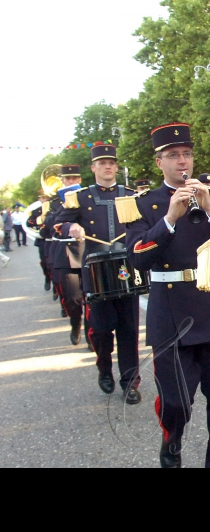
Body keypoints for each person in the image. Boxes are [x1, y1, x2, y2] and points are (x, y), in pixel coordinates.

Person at [124, 122, 210, 469]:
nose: (181, 161)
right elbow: (138, 256)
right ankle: (171, 441)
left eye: (186, 154)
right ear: (160, 163)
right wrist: (171, 217)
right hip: (171, 315)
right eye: (173, 156)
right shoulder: (142, 204)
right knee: (176, 402)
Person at [55, 145, 142, 404]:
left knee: (129, 328)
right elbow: (59, 223)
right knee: (102, 329)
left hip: (125, 267)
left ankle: (130, 382)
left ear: (116, 167)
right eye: (101, 163)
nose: (107, 167)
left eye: (111, 163)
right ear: (93, 168)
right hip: (95, 271)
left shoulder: (130, 195)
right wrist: (72, 226)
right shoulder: (79, 197)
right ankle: (104, 368)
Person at [45, 165, 85, 345]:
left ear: (80, 180)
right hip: (66, 255)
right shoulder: (54, 204)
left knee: (93, 299)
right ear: (62, 181)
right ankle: (75, 323)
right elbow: (51, 227)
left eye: (75, 179)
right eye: (68, 179)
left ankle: (93, 334)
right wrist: (66, 205)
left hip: (87, 252)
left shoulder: (88, 198)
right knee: (72, 299)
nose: (72, 181)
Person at [26, 192, 52, 291]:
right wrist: (39, 220)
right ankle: (47, 278)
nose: (44, 199)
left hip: (53, 239)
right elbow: (28, 222)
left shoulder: (54, 208)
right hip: (42, 240)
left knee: (54, 264)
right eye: (42, 198)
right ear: (40, 199)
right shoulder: (36, 211)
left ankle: (56, 287)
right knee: (45, 263)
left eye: (46, 197)